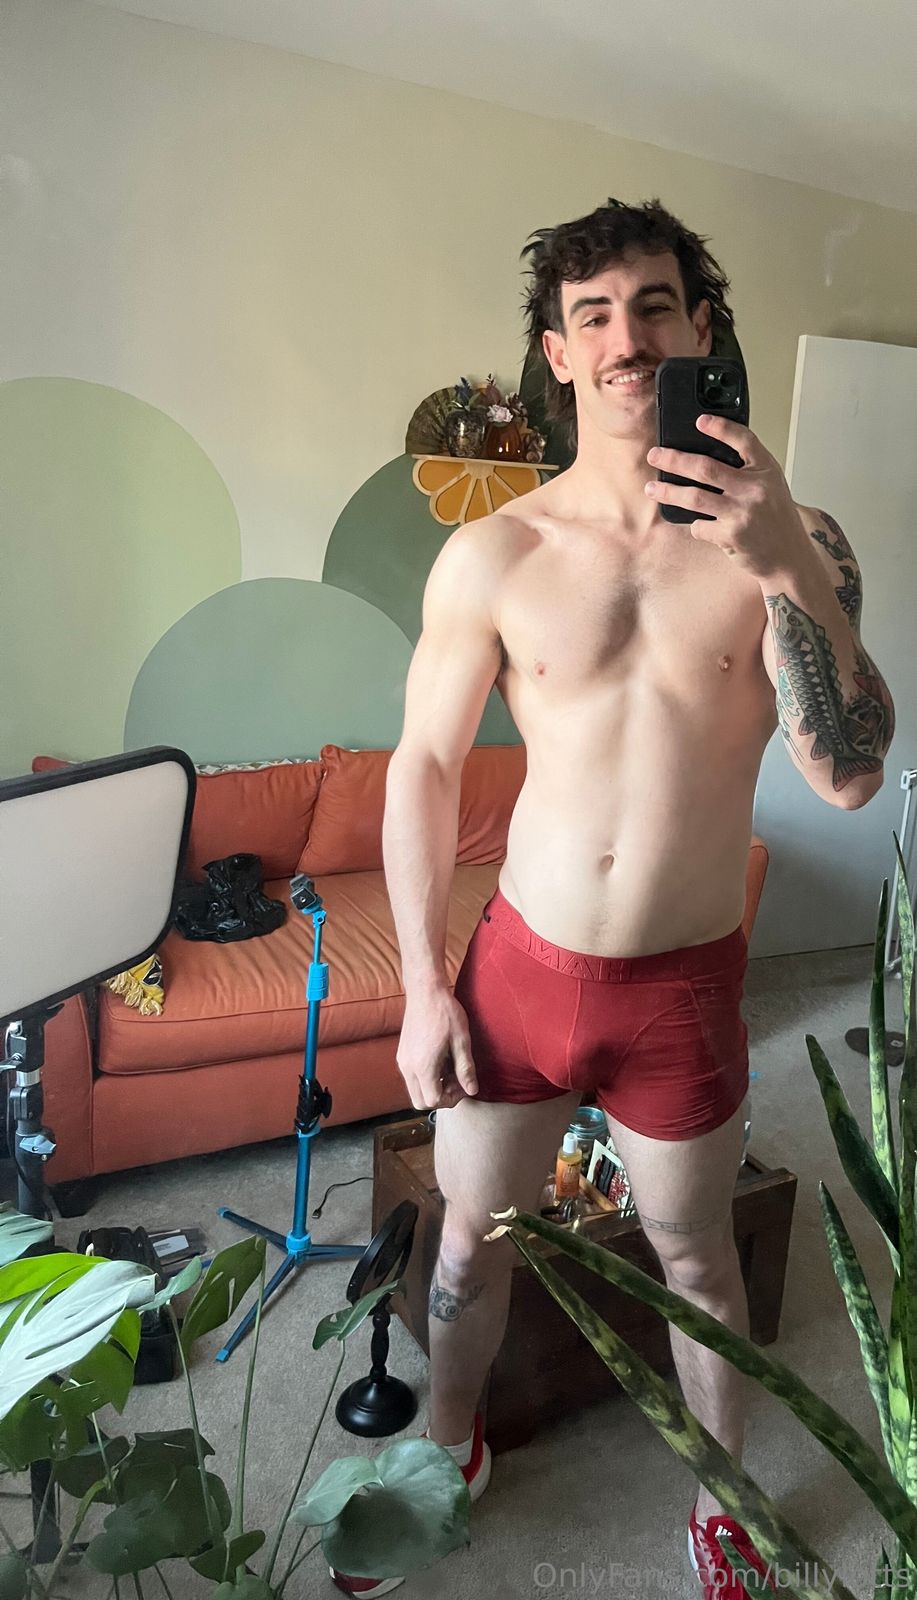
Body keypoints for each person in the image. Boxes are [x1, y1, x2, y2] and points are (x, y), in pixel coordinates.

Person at [331, 197, 895, 1599]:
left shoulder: (796, 541)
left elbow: (847, 777)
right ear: (559, 353)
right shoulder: (499, 552)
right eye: (595, 315)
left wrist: (787, 570)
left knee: (698, 1261)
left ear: (699, 329)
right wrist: (422, 987)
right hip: (519, 971)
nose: (627, 337)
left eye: (654, 307)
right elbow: (423, 769)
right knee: (471, 1240)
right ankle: (446, 1447)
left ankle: (720, 1503)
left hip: (683, 988)